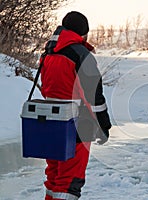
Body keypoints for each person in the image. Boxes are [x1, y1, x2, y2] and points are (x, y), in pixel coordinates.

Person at [40, 11, 112, 199]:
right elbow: (94, 98)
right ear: (83, 32)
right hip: (77, 125)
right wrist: (104, 126)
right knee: (69, 181)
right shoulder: (81, 55)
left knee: (54, 176)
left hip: (50, 121)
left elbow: (46, 89)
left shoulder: (48, 53)